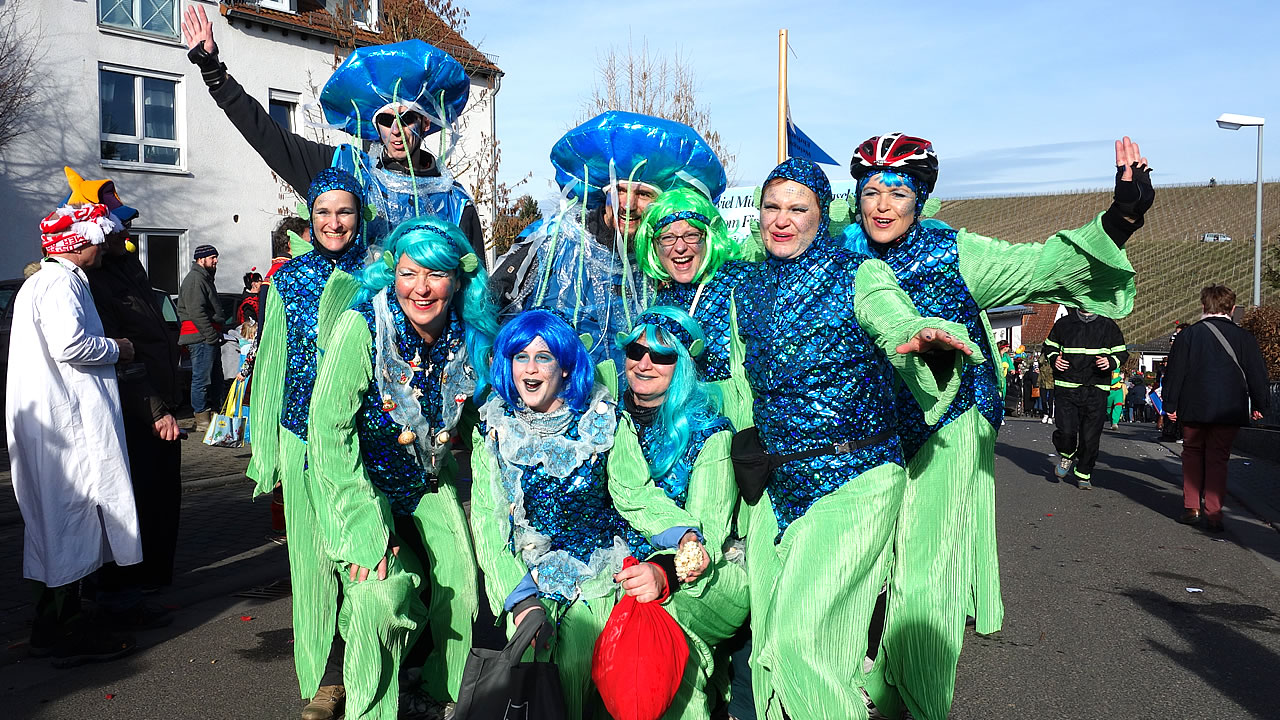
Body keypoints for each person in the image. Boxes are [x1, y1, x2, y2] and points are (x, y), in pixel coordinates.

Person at [842, 132, 1148, 720]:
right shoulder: (841, 247)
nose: (882, 205)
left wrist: (1122, 216)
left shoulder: (957, 253)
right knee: (867, 554)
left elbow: (1042, 265)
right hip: (871, 425)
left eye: (898, 193)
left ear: (922, 199)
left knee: (925, 563)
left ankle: (918, 694)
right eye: (871, 191)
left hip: (950, 421)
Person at [711, 158, 978, 719]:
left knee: (805, 642)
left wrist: (919, 334)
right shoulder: (745, 289)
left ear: (821, 215)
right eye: (772, 208)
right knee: (771, 651)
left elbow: (891, 316)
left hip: (854, 478)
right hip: (780, 491)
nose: (782, 221)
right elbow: (730, 381)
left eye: (798, 209)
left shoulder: (858, 273)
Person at [308, 216, 499, 718]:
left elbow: (485, 424)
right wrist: (363, 528)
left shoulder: (471, 338)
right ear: (393, 274)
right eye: (410, 273)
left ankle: (445, 693)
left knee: (460, 581)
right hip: (360, 480)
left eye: (436, 275)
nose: (421, 288)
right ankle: (369, 708)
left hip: (427, 481)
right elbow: (328, 432)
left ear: (458, 281)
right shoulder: (363, 326)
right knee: (378, 595)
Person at [469, 308, 689, 720]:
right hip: (528, 574)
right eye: (521, 356)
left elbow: (634, 493)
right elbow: (486, 523)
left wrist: (681, 535)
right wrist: (521, 599)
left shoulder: (602, 422)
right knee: (531, 665)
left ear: (566, 369)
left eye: (544, 357)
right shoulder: (493, 429)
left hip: (597, 572)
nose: (530, 369)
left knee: (574, 663)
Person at [181, 5, 483, 254]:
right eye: (386, 120)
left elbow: (475, 291)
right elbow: (270, 137)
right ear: (374, 126)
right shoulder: (346, 170)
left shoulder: (455, 203)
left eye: (406, 119)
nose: (396, 131)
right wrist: (214, 73)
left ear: (426, 122)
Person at [248, 168, 373, 720]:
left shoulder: (379, 274)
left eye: (344, 211)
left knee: (364, 559)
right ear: (311, 217)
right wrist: (265, 452)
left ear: (359, 217)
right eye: (323, 212)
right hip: (299, 436)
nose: (333, 222)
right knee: (312, 561)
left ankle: (367, 666)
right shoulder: (287, 279)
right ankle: (325, 677)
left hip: (362, 440)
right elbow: (271, 364)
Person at [489, 111, 727, 372]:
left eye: (644, 193)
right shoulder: (553, 240)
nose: (628, 204)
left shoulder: (665, 261)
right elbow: (490, 308)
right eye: (620, 190)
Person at [7, 202, 140, 666]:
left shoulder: (41, 282)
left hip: (53, 423)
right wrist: (119, 349)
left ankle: (51, 624)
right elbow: (71, 345)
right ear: (79, 243)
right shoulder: (62, 282)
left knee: (53, 525)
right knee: (71, 521)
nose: (105, 247)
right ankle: (63, 629)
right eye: (99, 240)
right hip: (68, 426)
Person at [609, 307, 749, 718]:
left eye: (663, 355)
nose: (645, 363)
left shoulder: (710, 436)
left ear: (682, 364)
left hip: (703, 579)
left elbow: (704, 538)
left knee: (660, 637)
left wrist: (664, 575)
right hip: (624, 570)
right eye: (636, 350)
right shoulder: (604, 418)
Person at [74, 167, 184, 600]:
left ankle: (152, 581)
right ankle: (130, 589)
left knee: (161, 498)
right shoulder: (94, 279)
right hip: (134, 408)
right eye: (119, 223)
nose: (127, 229)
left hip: (158, 400)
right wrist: (154, 407)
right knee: (140, 498)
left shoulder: (125, 266)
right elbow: (120, 353)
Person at [634, 188, 754, 430]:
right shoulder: (659, 295)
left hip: (737, 432)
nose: (679, 248)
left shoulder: (742, 282)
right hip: (677, 432)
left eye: (691, 235)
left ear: (708, 237)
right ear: (654, 246)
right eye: (667, 238)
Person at [1163, 284, 1270, 532]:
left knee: (1191, 453)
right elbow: (1257, 375)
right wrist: (1260, 404)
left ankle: (1192, 507)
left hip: (1193, 405)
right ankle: (1214, 513)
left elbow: (1175, 374)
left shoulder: (1187, 336)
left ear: (1203, 306)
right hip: (1229, 408)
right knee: (1218, 458)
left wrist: (1170, 405)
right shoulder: (1244, 338)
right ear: (1232, 309)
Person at [1045, 308, 1129, 488]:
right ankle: (1067, 454)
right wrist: (1054, 359)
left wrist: (1110, 362)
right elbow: (1049, 346)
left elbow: (1122, 353)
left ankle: (1084, 472)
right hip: (1067, 387)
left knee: (1090, 437)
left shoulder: (1108, 325)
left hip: (1096, 388)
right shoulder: (1064, 323)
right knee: (1066, 432)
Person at [177, 243, 225, 431]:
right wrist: (211, 335)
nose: (216, 261)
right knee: (202, 378)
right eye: (212, 257)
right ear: (200, 259)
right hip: (201, 338)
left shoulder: (203, 278)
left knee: (213, 377)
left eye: (216, 257)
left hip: (206, 336)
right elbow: (196, 312)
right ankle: (202, 418)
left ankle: (211, 414)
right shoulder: (196, 279)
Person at [1040, 354, 1055, 424]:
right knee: (1043, 400)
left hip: (1051, 384)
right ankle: (1045, 414)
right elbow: (1040, 361)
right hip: (1043, 383)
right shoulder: (1043, 365)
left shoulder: (1053, 365)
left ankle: (1050, 416)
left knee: (1050, 401)